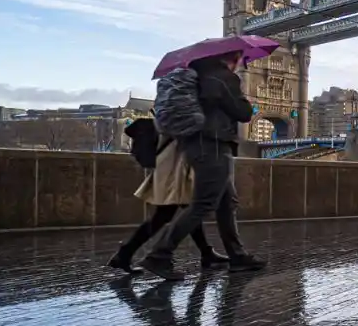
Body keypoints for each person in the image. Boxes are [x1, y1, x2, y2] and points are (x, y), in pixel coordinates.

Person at [140, 52, 266, 281]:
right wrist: (243, 99)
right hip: (215, 144)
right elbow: (244, 113)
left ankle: (237, 257)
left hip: (194, 144)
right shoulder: (223, 77)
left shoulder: (196, 75)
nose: (241, 62)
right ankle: (159, 254)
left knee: (227, 202)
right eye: (240, 58)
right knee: (203, 203)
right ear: (233, 57)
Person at [107, 122, 231, 274]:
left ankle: (206, 253)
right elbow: (186, 124)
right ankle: (128, 253)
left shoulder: (168, 100)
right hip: (176, 160)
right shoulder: (179, 100)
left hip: (175, 158)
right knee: (169, 213)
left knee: (187, 209)